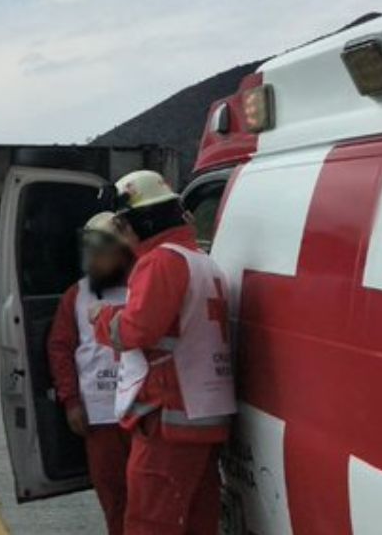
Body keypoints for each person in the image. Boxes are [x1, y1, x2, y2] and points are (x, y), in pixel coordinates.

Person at [89, 171, 235, 535]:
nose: (121, 237)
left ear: (140, 221)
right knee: (199, 519)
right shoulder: (202, 261)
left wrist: (102, 318)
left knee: (149, 522)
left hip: (169, 418)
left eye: (121, 226)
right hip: (205, 413)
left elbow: (137, 330)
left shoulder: (160, 261)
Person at [46, 212, 134, 535]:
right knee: (114, 497)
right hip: (99, 416)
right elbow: (60, 348)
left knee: (146, 498)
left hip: (141, 414)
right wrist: (71, 401)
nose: (94, 259)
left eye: (102, 251)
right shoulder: (76, 295)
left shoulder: (142, 286)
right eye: (91, 251)